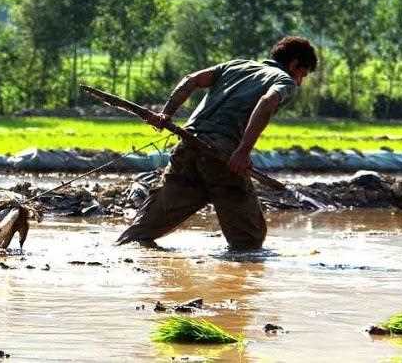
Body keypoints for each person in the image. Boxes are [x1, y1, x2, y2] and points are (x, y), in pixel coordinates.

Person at [117, 36, 317, 250]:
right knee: (249, 240)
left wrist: (166, 113)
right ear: (294, 64)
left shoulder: (236, 65)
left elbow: (192, 79)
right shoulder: (284, 80)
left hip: (188, 145)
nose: (300, 82)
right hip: (222, 154)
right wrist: (242, 151)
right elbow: (267, 102)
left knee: (145, 230)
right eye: (302, 74)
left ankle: (121, 251)